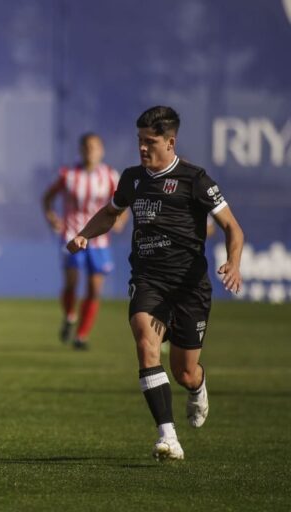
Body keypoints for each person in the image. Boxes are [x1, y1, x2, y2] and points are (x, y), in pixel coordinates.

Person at [66, 106, 244, 461]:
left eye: (150, 142)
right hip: (148, 279)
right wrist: (84, 234)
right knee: (146, 342)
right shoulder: (133, 178)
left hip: (189, 287)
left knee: (184, 372)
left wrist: (234, 263)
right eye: (139, 141)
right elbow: (111, 212)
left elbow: (232, 228)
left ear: (170, 142)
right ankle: (168, 437)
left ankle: (199, 385)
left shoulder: (195, 179)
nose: (142, 148)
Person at [42, 133, 126, 350]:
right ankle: (70, 315)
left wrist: (121, 220)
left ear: (102, 150)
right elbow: (47, 198)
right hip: (71, 234)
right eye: (87, 147)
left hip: (99, 240)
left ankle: (81, 335)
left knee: (94, 289)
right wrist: (52, 217)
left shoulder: (109, 176)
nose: (91, 151)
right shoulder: (69, 175)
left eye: (95, 147)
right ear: (80, 150)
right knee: (71, 282)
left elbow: (125, 203)